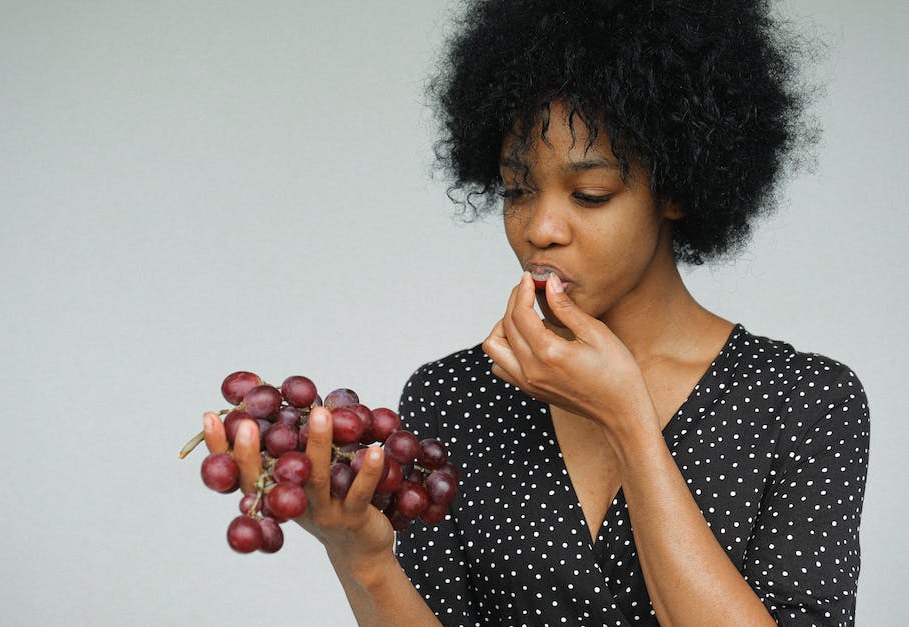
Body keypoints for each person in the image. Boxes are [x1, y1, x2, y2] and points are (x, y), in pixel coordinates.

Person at [204, 1, 869, 625]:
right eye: (519, 189)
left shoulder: (805, 400)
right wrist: (364, 558)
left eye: (590, 193)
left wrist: (627, 421)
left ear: (676, 188)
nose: (540, 228)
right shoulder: (455, 396)